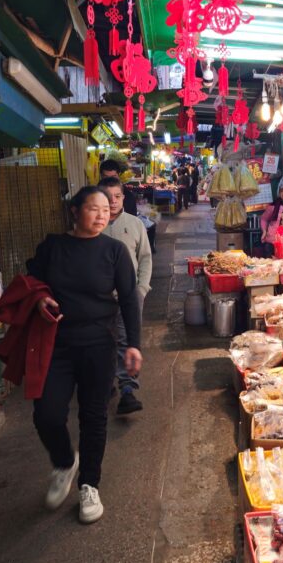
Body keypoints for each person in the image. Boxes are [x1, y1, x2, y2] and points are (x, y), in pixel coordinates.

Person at [25, 186, 142, 524]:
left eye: (107, 209)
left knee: (93, 416)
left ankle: (89, 484)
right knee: (46, 414)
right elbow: (31, 282)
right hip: (56, 344)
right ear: (75, 211)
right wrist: (39, 300)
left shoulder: (115, 251)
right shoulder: (52, 247)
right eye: (94, 208)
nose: (103, 214)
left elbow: (129, 298)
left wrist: (133, 344)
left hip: (99, 344)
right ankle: (64, 462)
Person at [100, 177, 152, 415]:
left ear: (123, 198)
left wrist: (141, 289)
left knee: (126, 340)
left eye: (117, 196)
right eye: (107, 197)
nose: (113, 202)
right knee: (104, 341)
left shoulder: (135, 224)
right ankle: (106, 382)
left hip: (129, 296)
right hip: (99, 298)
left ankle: (128, 389)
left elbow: (145, 259)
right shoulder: (93, 224)